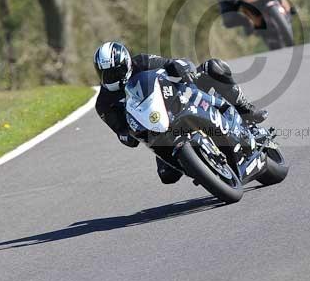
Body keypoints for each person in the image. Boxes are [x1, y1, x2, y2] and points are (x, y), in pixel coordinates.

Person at [93, 41, 268, 184]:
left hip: (180, 98)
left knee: (213, 67)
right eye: (107, 74)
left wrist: (184, 70)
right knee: (167, 175)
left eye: (117, 71)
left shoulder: (142, 62)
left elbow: (171, 64)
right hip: (159, 131)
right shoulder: (104, 103)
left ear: (127, 63)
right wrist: (126, 135)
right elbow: (121, 131)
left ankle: (245, 109)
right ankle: (205, 169)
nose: (114, 77)